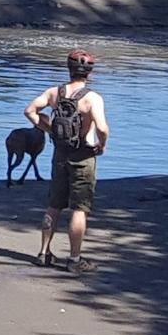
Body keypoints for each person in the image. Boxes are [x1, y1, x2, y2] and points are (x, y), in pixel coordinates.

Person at [21, 51, 110, 271]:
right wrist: (103, 143)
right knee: (79, 209)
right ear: (90, 72)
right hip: (83, 155)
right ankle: (74, 259)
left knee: (54, 206)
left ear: (68, 69)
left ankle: (44, 253)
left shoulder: (54, 93)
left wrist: (49, 129)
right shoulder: (92, 98)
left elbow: (30, 111)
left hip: (60, 154)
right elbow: (101, 127)